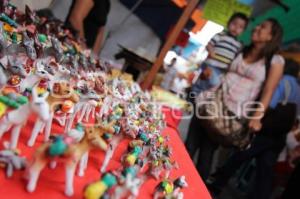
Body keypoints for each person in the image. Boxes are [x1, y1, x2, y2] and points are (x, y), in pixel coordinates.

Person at [185, 18, 285, 183]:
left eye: (263, 27)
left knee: (206, 154)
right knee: (188, 146)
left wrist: (257, 117)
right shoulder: (241, 50)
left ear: (271, 36)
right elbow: (220, 70)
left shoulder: (275, 61)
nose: (257, 27)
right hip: (209, 102)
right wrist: (207, 74)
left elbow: (269, 91)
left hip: (228, 116)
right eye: (259, 25)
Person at [207, 59, 300, 199]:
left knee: (239, 156)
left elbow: (270, 104)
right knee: (265, 172)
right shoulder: (298, 88)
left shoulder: (282, 81)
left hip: (265, 131)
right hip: (280, 136)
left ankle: (216, 185)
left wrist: (255, 119)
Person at [189, 12, 248, 99]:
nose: (236, 28)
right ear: (228, 23)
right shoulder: (221, 35)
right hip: (212, 65)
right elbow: (209, 44)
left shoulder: (238, 44)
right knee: (211, 82)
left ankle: (196, 98)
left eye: (240, 27)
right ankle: (193, 94)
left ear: (243, 31)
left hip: (223, 70)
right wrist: (211, 51)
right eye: (234, 24)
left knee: (209, 86)